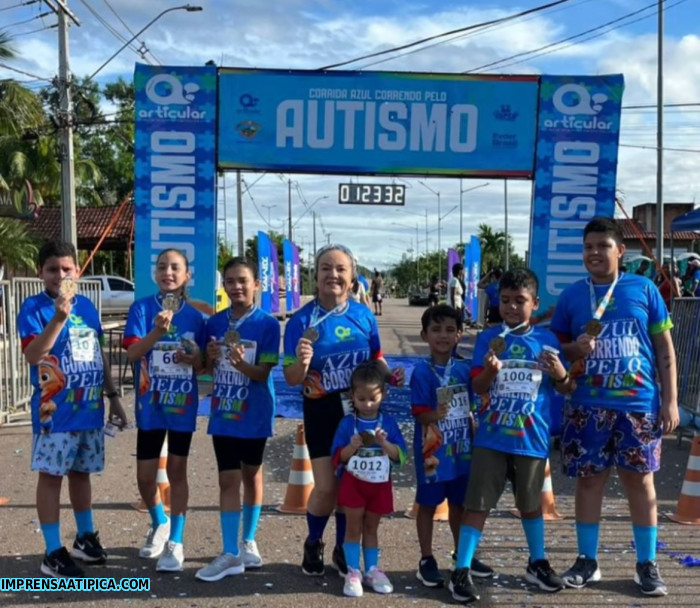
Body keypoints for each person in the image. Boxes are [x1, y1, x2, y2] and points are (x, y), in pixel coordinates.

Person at [550, 217, 679, 597]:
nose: (594, 253)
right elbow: (554, 350)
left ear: (620, 251)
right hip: (587, 405)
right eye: (588, 247)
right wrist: (574, 347)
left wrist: (670, 401)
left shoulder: (644, 289)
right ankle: (587, 562)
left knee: (640, 482)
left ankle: (647, 564)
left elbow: (665, 349)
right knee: (589, 481)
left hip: (638, 404)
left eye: (602, 246)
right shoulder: (572, 296)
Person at [451, 268, 574, 603]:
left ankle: (537, 562)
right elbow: (477, 387)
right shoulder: (488, 339)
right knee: (477, 505)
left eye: (520, 300)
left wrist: (561, 373)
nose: (512, 307)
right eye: (505, 300)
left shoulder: (547, 341)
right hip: (491, 438)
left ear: (535, 303)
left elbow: (566, 387)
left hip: (531, 439)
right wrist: (490, 372)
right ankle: (461, 568)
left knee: (531, 505)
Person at [283, 244, 404, 578]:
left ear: (352, 278)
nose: (332, 275)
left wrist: (389, 374)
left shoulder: (363, 315)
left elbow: (375, 358)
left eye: (340, 269)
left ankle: (342, 549)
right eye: (325, 268)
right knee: (326, 487)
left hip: (358, 414)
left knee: (350, 486)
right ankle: (313, 541)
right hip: (321, 412)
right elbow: (292, 378)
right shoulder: (300, 321)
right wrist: (302, 362)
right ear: (316, 275)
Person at [17, 239, 128, 578]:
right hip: (55, 412)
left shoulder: (88, 307)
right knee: (51, 477)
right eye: (52, 269)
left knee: (81, 474)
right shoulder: (33, 308)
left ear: (77, 272)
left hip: (89, 409)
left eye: (67, 268)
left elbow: (98, 355)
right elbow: (33, 355)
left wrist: (113, 396)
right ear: (41, 272)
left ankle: (85, 537)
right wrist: (58, 318)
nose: (60, 275)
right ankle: (52, 551)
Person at [195, 257, 280, 581]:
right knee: (227, 480)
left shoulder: (268, 324)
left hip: (255, 412)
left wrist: (241, 364)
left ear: (256, 284)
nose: (236, 287)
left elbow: (262, 373)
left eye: (243, 280)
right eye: (230, 281)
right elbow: (206, 370)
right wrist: (207, 359)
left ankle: (248, 539)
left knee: (251, 475)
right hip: (224, 413)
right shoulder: (214, 323)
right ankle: (230, 552)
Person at [123, 249, 206, 572]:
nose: (168, 272)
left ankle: (176, 541)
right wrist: (157, 331)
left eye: (175, 267)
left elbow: (203, 366)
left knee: (178, 472)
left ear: (187, 275)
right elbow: (132, 354)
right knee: (145, 477)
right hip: (151, 405)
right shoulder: (142, 309)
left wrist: (195, 358)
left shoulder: (196, 317)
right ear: (154, 274)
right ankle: (159, 521)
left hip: (182, 406)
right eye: (162, 267)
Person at [410, 304, 493, 590]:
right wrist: (435, 415)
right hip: (432, 453)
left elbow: (477, 399)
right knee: (428, 505)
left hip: (461, 451)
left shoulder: (465, 369)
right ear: (424, 335)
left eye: (449, 330)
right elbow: (418, 413)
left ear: (459, 335)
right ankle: (426, 559)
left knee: (460, 504)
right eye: (436, 330)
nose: (443, 336)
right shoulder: (421, 372)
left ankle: (462, 557)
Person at [331, 361, 407, 597]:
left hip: (379, 485)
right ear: (352, 397)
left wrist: (385, 443)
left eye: (373, 398)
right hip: (354, 484)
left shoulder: (389, 423)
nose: (367, 404)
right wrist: (351, 446)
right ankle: (353, 571)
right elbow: (338, 457)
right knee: (353, 528)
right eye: (361, 399)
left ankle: (372, 569)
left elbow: (400, 456)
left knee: (372, 528)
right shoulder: (347, 424)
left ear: (383, 394)